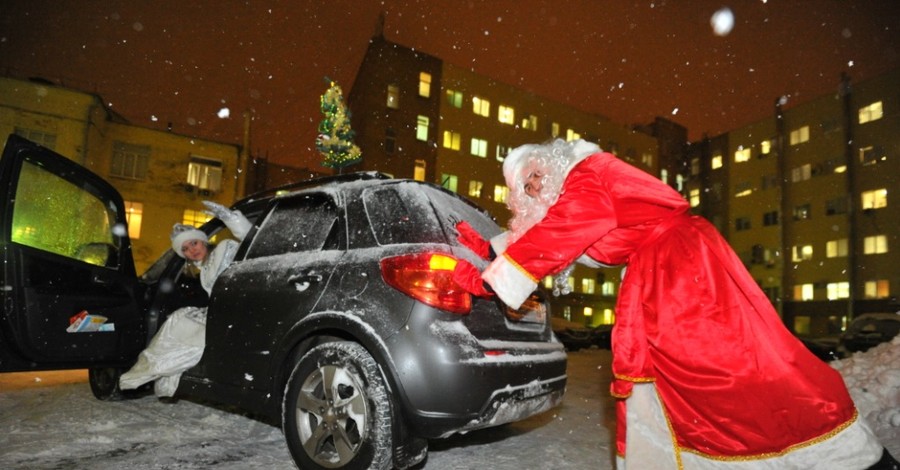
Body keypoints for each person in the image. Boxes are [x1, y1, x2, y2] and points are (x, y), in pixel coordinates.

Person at [452, 139, 897, 469]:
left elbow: (570, 227)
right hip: (664, 272)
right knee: (676, 377)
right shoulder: (580, 195)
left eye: (533, 173)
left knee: (729, 368)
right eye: (525, 188)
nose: (533, 186)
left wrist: (495, 279)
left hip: (684, 271)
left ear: (550, 160)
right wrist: (489, 252)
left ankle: (846, 453)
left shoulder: (590, 171)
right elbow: (562, 235)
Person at [119, 201, 251, 397]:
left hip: (241, 308)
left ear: (203, 241)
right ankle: (149, 372)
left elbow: (251, 242)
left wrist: (231, 219)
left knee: (180, 324)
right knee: (178, 320)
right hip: (222, 311)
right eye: (186, 249)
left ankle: (148, 372)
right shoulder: (203, 271)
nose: (192, 250)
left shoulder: (224, 247)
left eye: (194, 243)